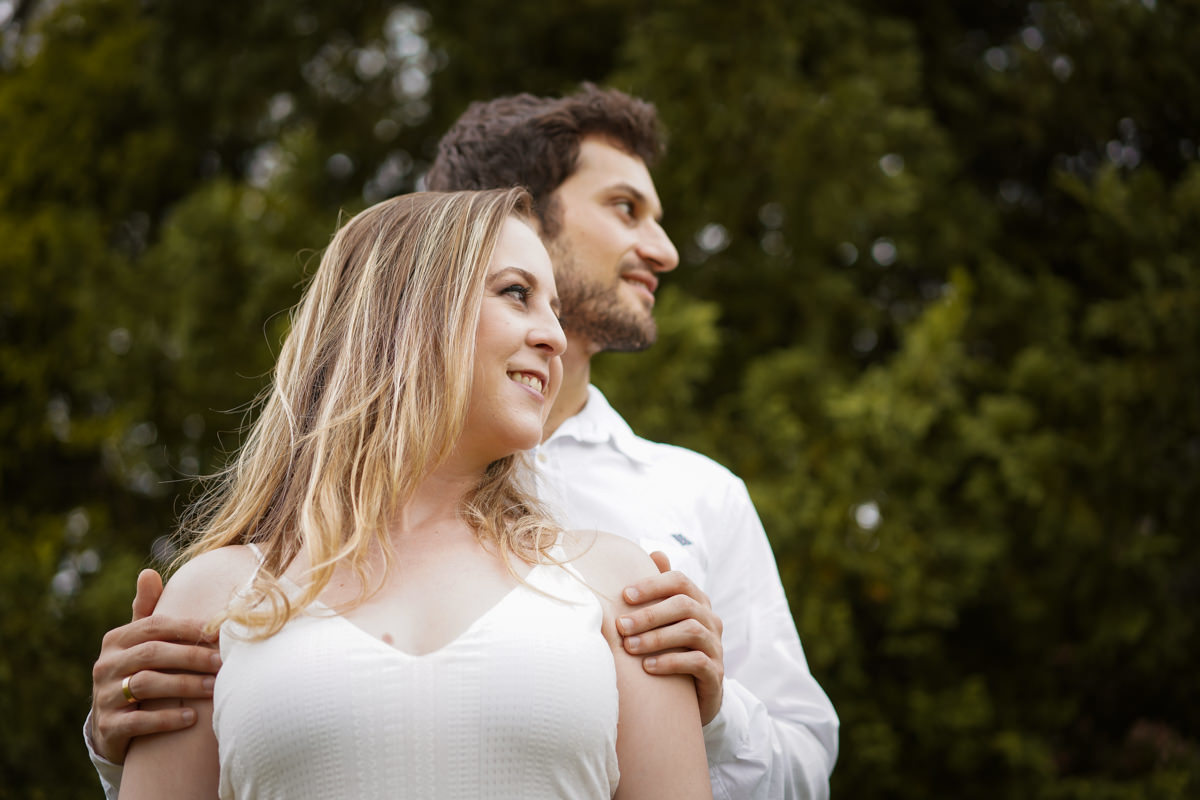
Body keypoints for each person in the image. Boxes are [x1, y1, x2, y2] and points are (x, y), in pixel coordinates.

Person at [86, 85, 839, 799]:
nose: (666, 250)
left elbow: (804, 770)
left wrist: (713, 707)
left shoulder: (680, 516)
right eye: (624, 208)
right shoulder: (233, 588)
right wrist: (118, 735)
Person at [116, 186, 711, 798]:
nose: (557, 337)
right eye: (516, 293)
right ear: (408, 309)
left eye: (554, 309)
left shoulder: (620, 587)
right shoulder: (211, 598)